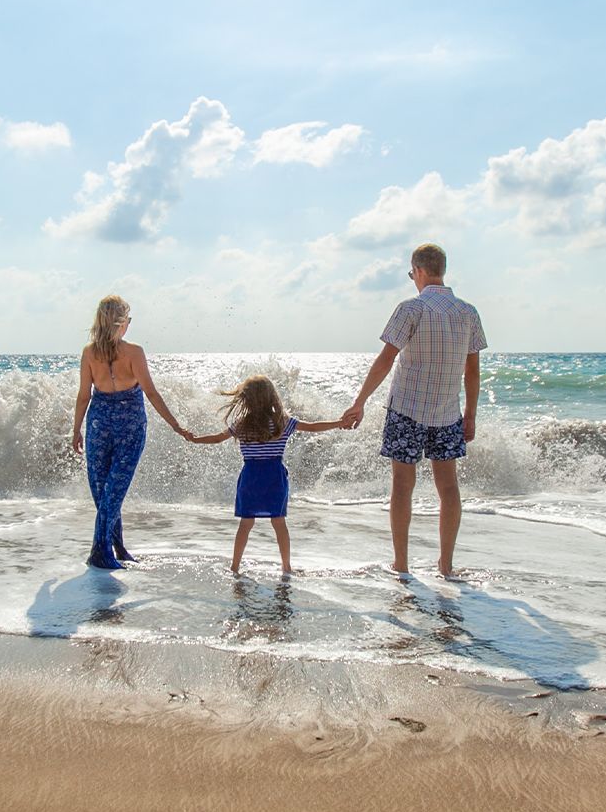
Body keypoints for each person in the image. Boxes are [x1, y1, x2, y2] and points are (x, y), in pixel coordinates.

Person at [340, 243, 487, 576]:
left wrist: (360, 401)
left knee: (402, 486)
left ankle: (402, 564)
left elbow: (385, 360)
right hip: (448, 413)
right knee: (448, 488)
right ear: (442, 270)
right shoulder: (468, 312)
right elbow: (473, 372)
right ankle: (446, 565)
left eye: (411, 274)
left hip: (406, 409)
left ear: (419, 271)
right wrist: (472, 415)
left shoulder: (411, 309)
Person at [71, 295, 190, 570]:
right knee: (110, 492)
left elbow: (83, 396)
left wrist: (76, 429)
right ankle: (101, 551)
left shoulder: (90, 352)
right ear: (123, 323)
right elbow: (150, 392)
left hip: (99, 423)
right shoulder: (133, 352)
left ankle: (115, 547)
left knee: (107, 491)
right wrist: (175, 425)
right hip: (129, 425)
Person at [183, 374, 346, 574]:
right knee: (279, 522)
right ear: (271, 397)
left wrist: (195, 439)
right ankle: (286, 567)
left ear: (247, 399)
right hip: (274, 476)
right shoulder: (281, 422)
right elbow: (312, 427)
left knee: (246, 523)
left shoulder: (242, 424)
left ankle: (235, 567)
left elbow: (217, 439)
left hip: (251, 476)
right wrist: (339, 423)